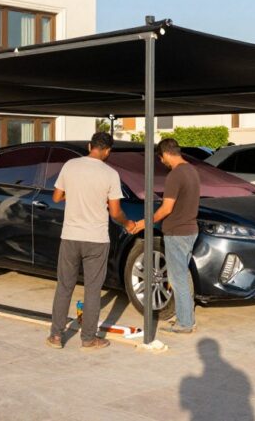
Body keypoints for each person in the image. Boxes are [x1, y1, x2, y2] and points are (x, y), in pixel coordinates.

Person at [47, 132, 138, 350]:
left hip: (70, 236)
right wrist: (128, 224)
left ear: (90, 146)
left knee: (64, 287)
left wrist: (76, 194)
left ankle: (56, 336)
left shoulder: (70, 165)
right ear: (108, 151)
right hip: (96, 239)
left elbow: (57, 197)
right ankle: (88, 339)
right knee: (92, 290)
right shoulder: (110, 174)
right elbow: (115, 212)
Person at [132, 138, 201, 333]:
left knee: (177, 278)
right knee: (183, 276)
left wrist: (145, 222)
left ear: (165, 154)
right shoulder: (192, 170)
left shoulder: (175, 175)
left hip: (177, 232)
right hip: (190, 230)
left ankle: (185, 323)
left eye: (161, 158)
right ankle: (187, 318)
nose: (162, 162)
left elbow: (166, 208)